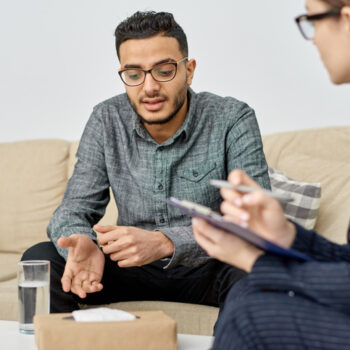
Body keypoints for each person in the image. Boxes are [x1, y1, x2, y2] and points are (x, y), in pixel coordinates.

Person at [21, 11, 270, 314]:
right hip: (128, 267)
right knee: (40, 260)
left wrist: (166, 242)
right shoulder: (106, 119)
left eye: (164, 70)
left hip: (210, 265)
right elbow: (72, 210)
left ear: (188, 71)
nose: (149, 87)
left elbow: (255, 223)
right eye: (135, 74)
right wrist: (83, 243)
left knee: (259, 269)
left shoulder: (232, 118)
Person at [193, 0, 350, 348]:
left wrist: (254, 258)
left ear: (346, 19)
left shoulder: (232, 116)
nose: (312, 40)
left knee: (254, 316)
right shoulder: (107, 120)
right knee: (249, 291)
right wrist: (288, 236)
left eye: (312, 20)